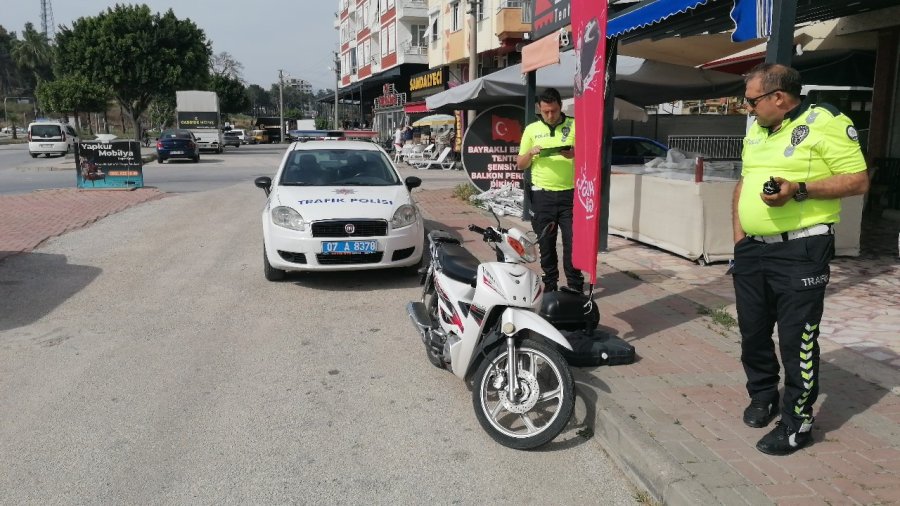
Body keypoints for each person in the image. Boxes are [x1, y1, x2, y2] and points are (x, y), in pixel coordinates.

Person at [732, 63, 869, 456]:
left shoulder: (823, 121)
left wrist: (799, 189)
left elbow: (858, 179)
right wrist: (739, 236)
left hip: (801, 251)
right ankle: (763, 396)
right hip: (753, 249)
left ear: (779, 97)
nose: (747, 108)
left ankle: (798, 422)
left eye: (751, 100)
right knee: (753, 332)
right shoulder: (757, 130)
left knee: (797, 339)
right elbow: (744, 181)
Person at [517, 87, 583, 293]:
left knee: (573, 243)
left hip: (570, 195)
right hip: (541, 195)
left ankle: (574, 286)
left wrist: (574, 154)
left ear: (560, 106)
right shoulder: (531, 130)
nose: (550, 115)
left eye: (553, 110)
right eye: (545, 111)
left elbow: (588, 156)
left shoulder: (574, 125)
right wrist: (530, 153)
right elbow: (520, 163)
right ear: (539, 108)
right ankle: (551, 286)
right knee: (546, 244)